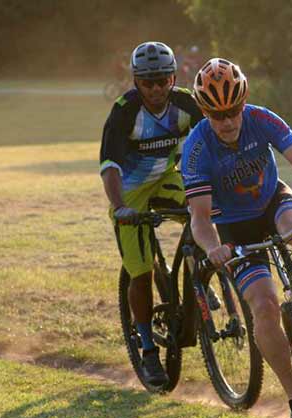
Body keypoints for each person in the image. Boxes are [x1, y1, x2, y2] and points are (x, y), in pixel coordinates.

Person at [181, 58, 292, 418]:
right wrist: (213, 248)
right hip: (233, 228)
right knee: (264, 305)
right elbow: (200, 219)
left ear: (244, 104)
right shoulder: (196, 149)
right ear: (205, 112)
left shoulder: (263, 120)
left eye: (233, 111)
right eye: (217, 114)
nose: (227, 122)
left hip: (274, 201)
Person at [99, 41, 203, 388]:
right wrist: (120, 207)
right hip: (131, 190)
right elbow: (110, 165)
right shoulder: (124, 110)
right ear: (136, 81)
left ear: (174, 77)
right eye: (148, 82)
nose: (157, 89)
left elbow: (214, 137)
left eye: (163, 81)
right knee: (140, 271)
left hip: (168, 176)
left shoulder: (187, 102)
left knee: (205, 207)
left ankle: (198, 271)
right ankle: (146, 347)